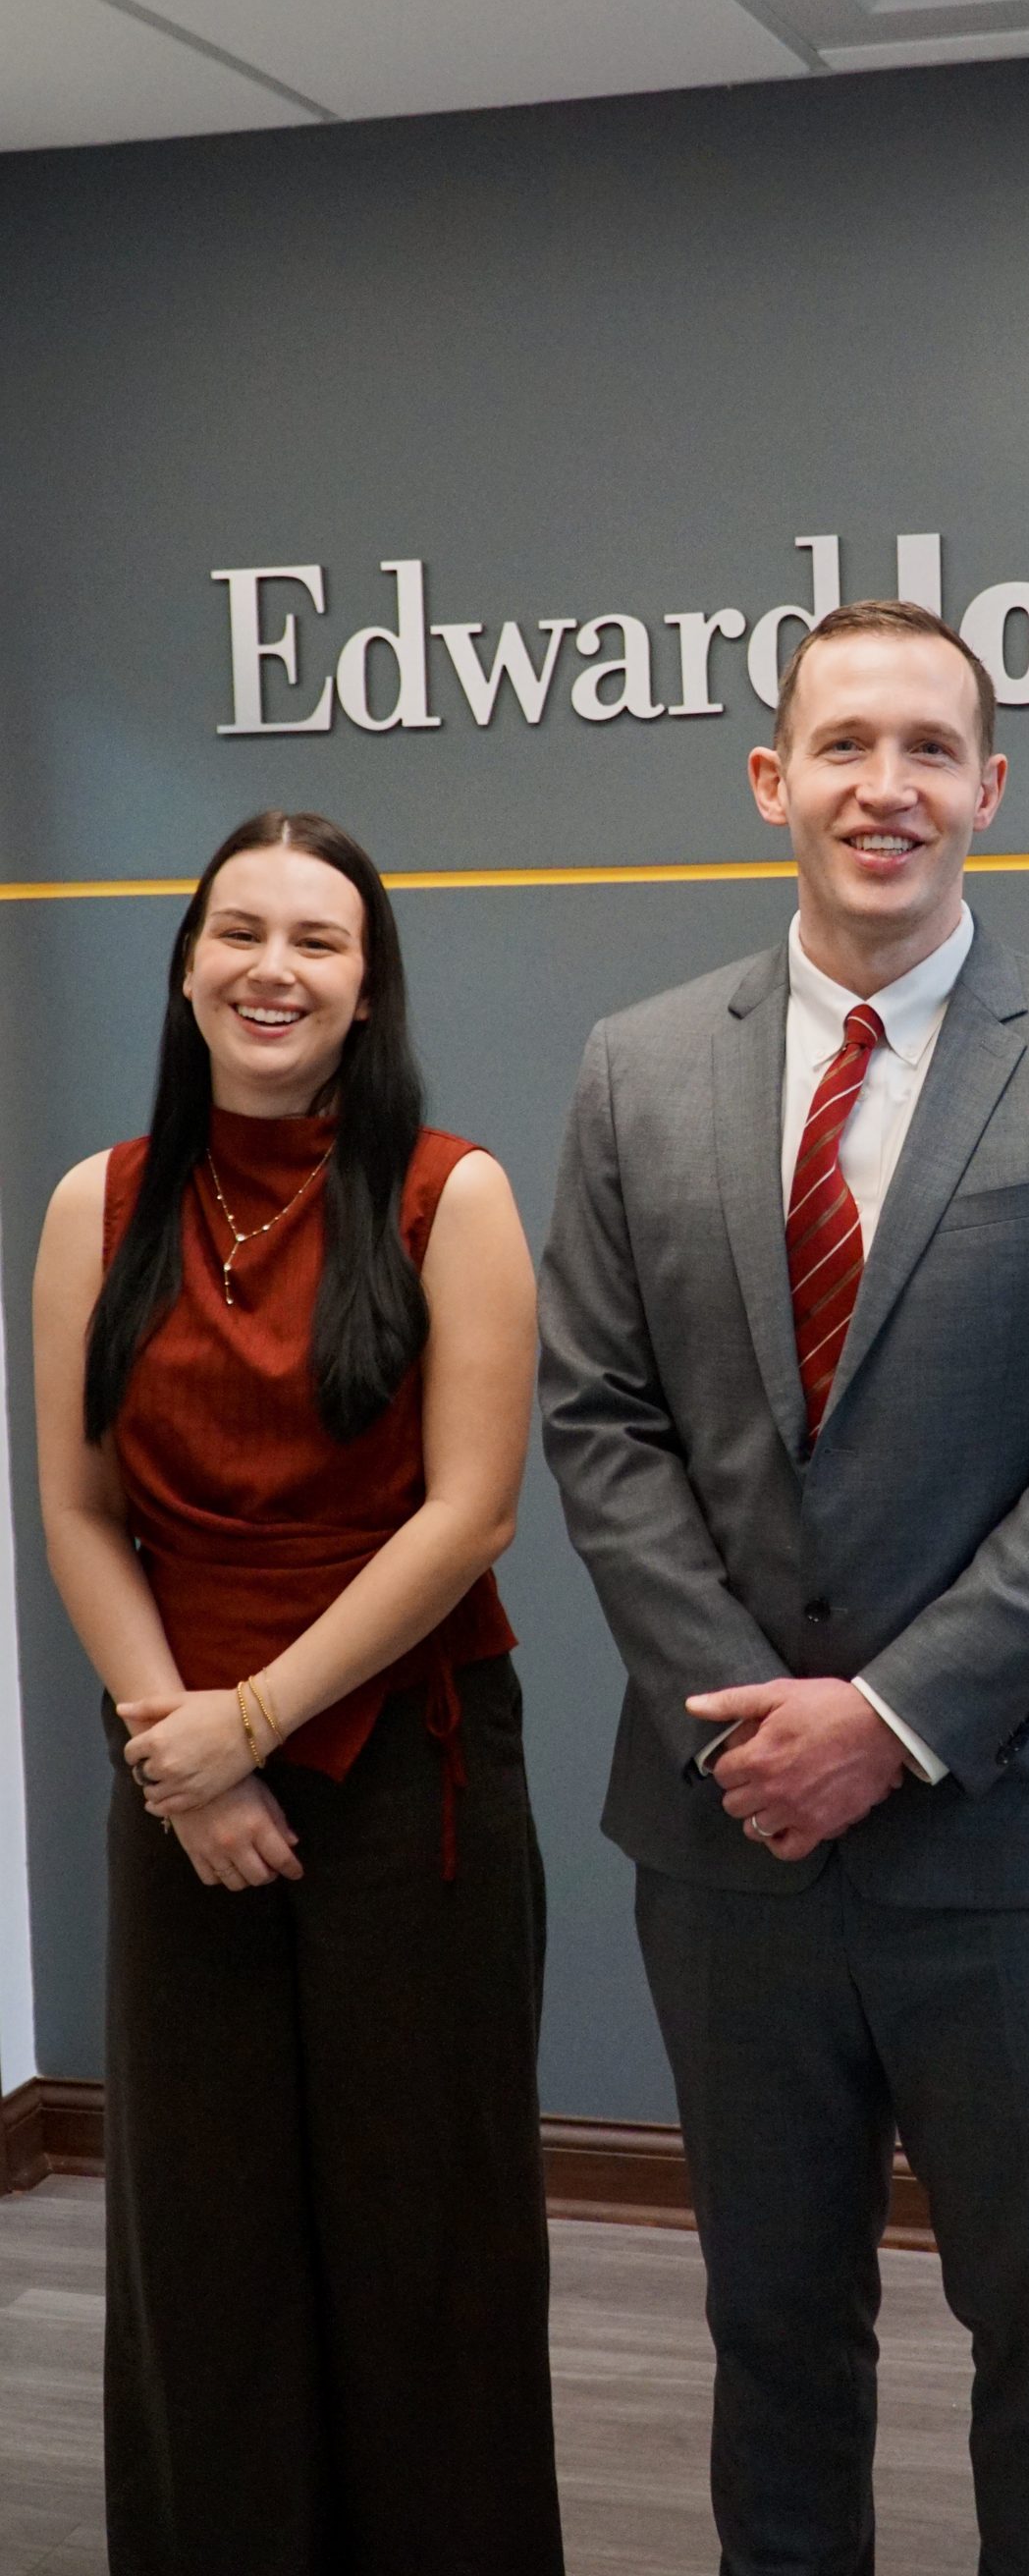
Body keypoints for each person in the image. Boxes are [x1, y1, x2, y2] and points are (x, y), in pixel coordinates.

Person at [539, 597, 1029, 2576]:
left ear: (990, 792)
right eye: (845, 744)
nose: (886, 785)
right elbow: (598, 1420)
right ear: (771, 783)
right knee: (772, 2330)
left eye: (931, 748)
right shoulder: (636, 1070)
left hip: (1017, 1840)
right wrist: (760, 1727)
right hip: (727, 1827)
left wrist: (893, 1722)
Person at [33, 809, 564, 2576]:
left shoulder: (454, 1195)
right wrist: (179, 1756)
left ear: (366, 985)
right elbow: (79, 1509)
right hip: (171, 1767)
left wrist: (249, 1726)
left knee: (428, 2240)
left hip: (409, 1784)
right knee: (202, 2241)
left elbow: (468, 1513)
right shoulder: (92, 1205)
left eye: (317, 943)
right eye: (240, 933)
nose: (275, 968)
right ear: (188, 965)